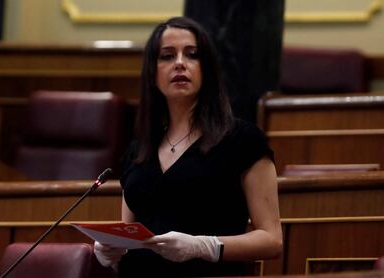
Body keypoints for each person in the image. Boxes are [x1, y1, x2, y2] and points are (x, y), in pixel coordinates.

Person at [93, 16, 282, 277]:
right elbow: (130, 234)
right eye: (167, 56)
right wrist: (112, 251)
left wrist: (205, 246)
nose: (180, 63)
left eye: (192, 55)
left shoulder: (243, 140)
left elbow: (272, 240)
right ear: (152, 72)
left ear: (208, 69)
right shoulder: (139, 150)